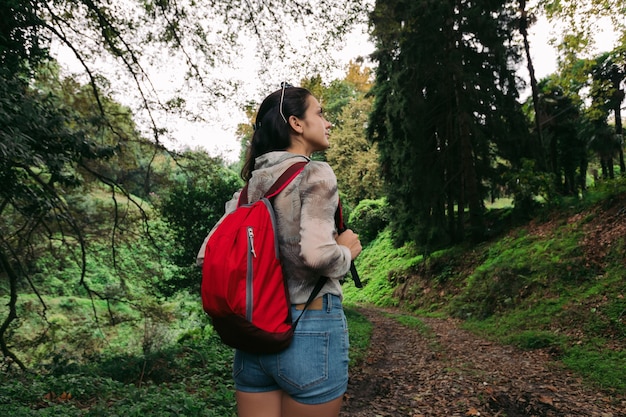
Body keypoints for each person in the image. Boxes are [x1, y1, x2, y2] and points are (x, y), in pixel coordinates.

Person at [201, 84, 362, 417]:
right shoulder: (316, 173)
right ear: (296, 123)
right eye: (320, 113)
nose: (327, 123)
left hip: (254, 335)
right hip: (311, 328)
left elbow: (207, 255)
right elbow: (317, 256)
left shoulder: (248, 189)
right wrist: (346, 251)